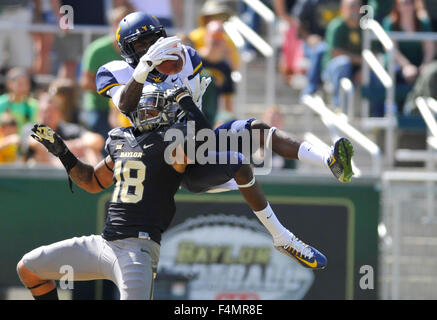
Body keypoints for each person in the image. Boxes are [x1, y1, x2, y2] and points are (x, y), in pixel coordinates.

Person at [16, 83, 326, 300]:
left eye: (153, 110)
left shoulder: (172, 142)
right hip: (103, 243)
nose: (147, 115)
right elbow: (92, 181)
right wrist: (62, 152)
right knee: (28, 269)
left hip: (137, 251)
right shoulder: (122, 141)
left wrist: (187, 101)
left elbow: (208, 140)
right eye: (144, 110)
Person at [98, 11, 355, 192]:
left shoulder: (185, 58)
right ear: (128, 49)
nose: (151, 47)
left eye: (154, 40)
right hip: (150, 151)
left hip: (190, 144)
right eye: (142, 44)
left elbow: (195, 116)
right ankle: (279, 232)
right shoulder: (116, 71)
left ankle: (328, 159)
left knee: (257, 130)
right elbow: (125, 105)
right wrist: (143, 69)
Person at [79, 5, 133, 139]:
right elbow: (85, 82)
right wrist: (114, 91)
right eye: (119, 22)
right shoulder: (97, 50)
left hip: (129, 107)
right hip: (100, 108)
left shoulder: (138, 48)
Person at [24, 93, 104, 166]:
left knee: (91, 150)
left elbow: (96, 140)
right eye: (44, 111)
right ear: (38, 113)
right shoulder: (32, 128)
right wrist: (69, 148)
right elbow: (35, 143)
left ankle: (96, 180)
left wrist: (68, 147)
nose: (47, 115)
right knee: (39, 153)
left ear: (59, 113)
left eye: (51, 111)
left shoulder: (68, 129)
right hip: (42, 173)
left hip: (71, 170)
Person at [293, 0, 340, 96]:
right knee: (320, 49)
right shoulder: (309, 2)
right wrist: (308, 37)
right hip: (317, 43)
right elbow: (297, 22)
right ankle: (311, 87)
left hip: (336, 44)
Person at [322, 0, 363, 108]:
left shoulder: (364, 28)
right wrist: (360, 60)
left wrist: (363, 70)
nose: (354, 10)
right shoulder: (337, 26)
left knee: (373, 72)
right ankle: (339, 106)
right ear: (343, 8)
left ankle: (376, 114)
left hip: (356, 69)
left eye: (356, 7)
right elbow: (336, 53)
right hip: (333, 69)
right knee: (343, 63)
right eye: (351, 7)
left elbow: (373, 52)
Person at [189, 1, 240, 71]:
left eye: (222, 16)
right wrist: (207, 52)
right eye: (215, 16)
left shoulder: (227, 40)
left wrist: (226, 53)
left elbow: (234, 67)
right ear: (207, 18)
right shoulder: (194, 36)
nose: (219, 20)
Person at [0, 67, 38, 133]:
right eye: (20, 84)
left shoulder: (34, 105)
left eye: (26, 84)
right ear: (9, 84)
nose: (23, 87)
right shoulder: (1, 103)